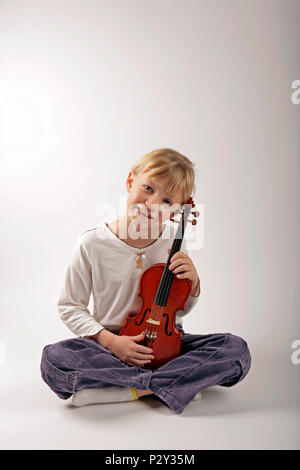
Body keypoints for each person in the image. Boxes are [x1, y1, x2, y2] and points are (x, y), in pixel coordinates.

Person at [40, 148, 251, 414]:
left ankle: (130, 390)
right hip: (110, 347)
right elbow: (70, 307)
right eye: (148, 188)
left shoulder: (175, 239)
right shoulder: (91, 243)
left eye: (166, 201)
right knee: (54, 359)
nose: (152, 204)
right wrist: (111, 342)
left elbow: (175, 308)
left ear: (176, 210)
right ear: (130, 181)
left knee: (236, 350)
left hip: (165, 348)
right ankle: (173, 384)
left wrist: (194, 284)